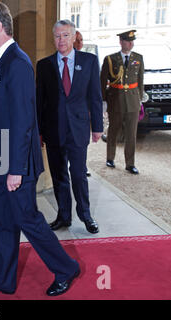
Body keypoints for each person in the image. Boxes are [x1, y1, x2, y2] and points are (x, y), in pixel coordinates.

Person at [0, 3, 80, 297]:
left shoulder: (16, 63)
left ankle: (66, 268)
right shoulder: (0, 60)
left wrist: (16, 168)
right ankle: (3, 279)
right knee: (1, 220)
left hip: (13, 162)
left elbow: (23, 120)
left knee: (27, 219)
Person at [36, 20, 102, 235]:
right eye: (57, 36)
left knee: (79, 173)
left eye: (65, 35)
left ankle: (86, 215)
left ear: (74, 37)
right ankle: (64, 216)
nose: (61, 40)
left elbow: (95, 96)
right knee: (59, 175)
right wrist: (38, 130)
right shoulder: (44, 65)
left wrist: (97, 127)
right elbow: (40, 100)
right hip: (53, 130)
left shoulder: (90, 61)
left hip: (78, 128)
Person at [100, 30, 144, 175]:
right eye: (127, 41)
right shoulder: (110, 59)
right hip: (116, 100)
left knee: (131, 134)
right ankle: (110, 158)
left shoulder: (138, 58)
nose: (130, 43)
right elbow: (102, 81)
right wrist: (104, 100)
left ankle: (130, 164)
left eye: (132, 41)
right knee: (114, 131)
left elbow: (140, 82)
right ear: (121, 42)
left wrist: (139, 100)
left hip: (132, 102)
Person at [73, 30, 92, 178]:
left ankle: (82, 168)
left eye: (81, 40)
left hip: (81, 119)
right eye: (77, 40)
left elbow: (94, 94)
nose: (80, 43)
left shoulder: (88, 61)